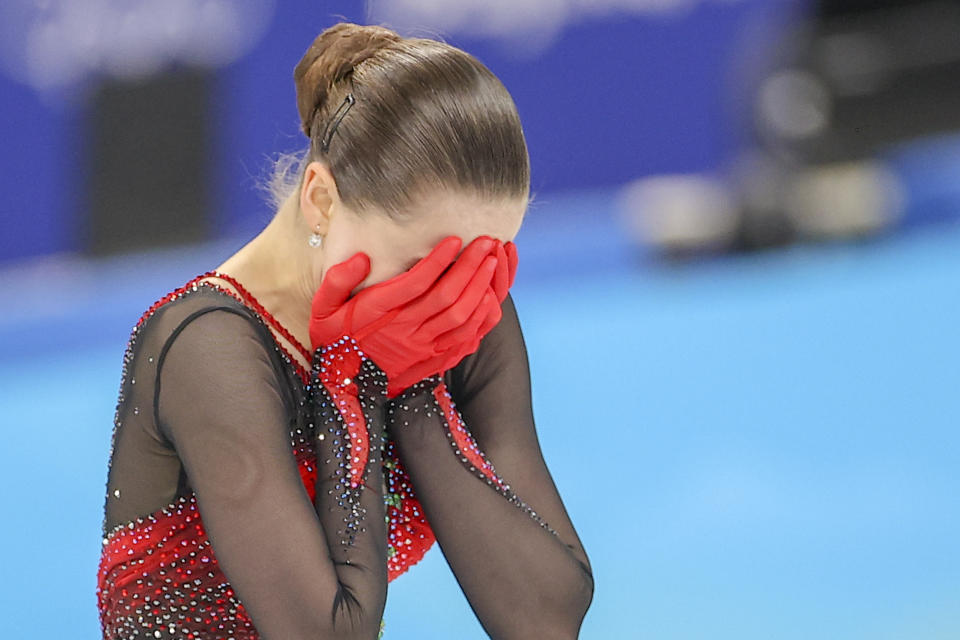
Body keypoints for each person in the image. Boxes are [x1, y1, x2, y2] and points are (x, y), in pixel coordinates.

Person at [96, 22, 594, 640]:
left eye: (487, 259)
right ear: (322, 201)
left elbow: (545, 618)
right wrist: (349, 385)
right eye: (423, 266)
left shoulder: (452, 313)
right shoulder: (208, 346)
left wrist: (415, 392)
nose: (451, 291)